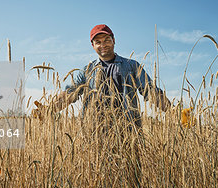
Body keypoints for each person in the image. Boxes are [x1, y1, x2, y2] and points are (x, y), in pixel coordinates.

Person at [34, 24, 171, 131]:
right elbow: (70, 94)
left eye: (106, 40)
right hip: (95, 131)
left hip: (128, 130)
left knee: (129, 168)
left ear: (114, 41)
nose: (103, 45)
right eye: (98, 42)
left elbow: (151, 91)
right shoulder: (87, 71)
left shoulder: (131, 66)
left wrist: (173, 112)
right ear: (93, 45)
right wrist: (48, 110)